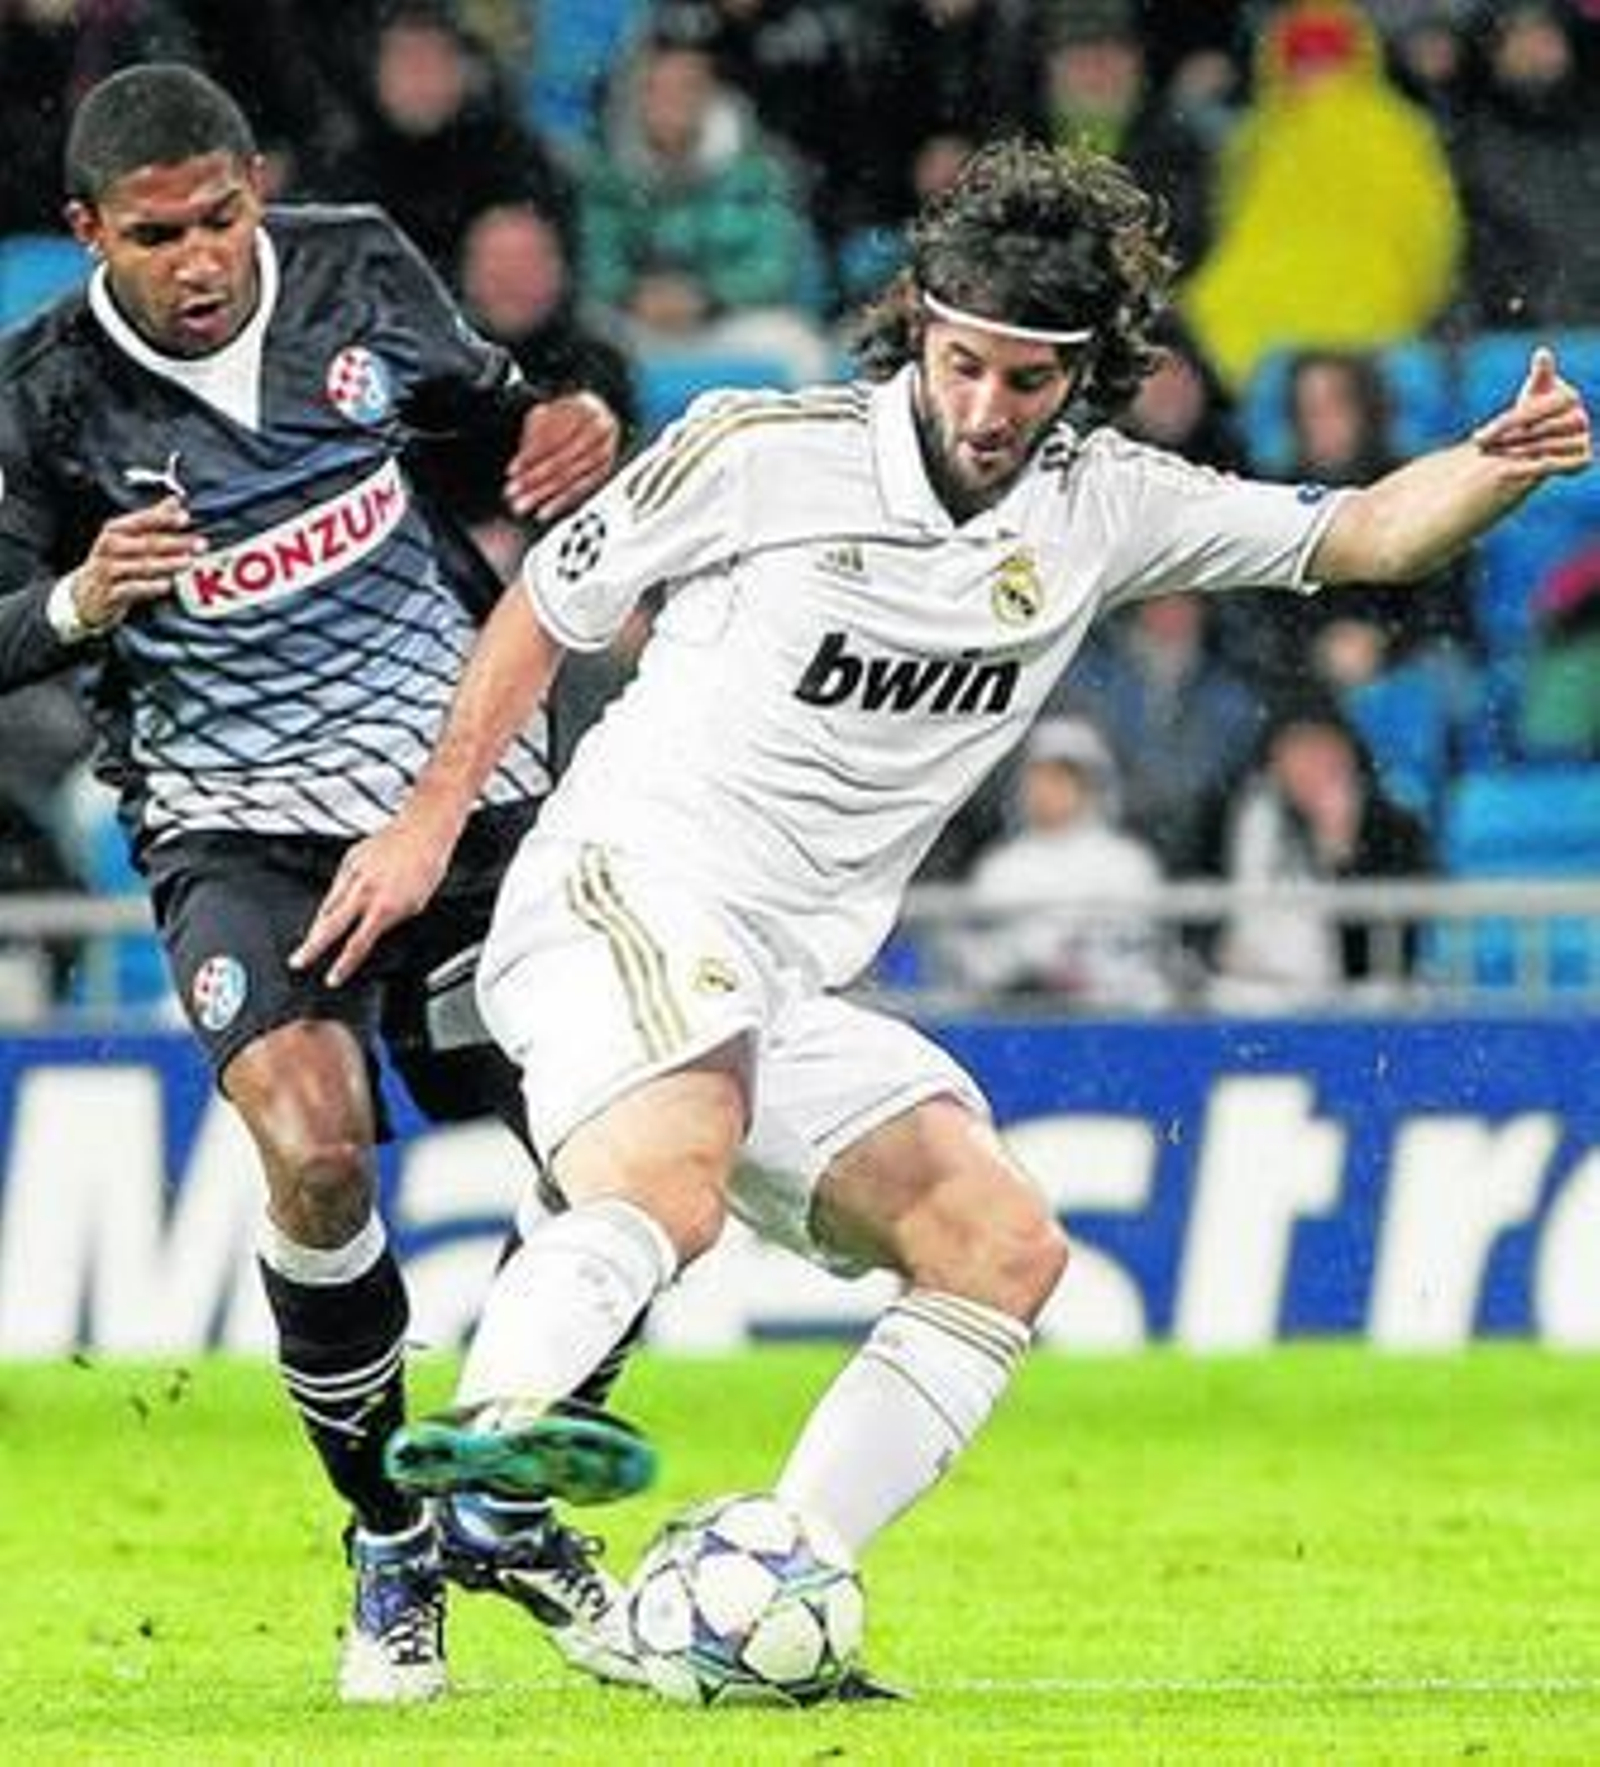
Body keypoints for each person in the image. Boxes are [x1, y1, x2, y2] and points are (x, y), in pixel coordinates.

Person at [292, 140, 1592, 1690]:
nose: (985, 408)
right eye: (962, 360)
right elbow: (548, 607)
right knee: (676, 1171)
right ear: (918, 322)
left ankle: (765, 1592)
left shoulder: (1104, 508)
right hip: (623, 886)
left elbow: (1363, 532)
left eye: (1026, 380)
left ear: (1082, 372)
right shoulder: (759, 449)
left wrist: (1499, 464)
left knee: (998, 1243)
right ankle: (495, 1460)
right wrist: (435, 816)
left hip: (776, 972)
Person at [0, 63, 634, 1705]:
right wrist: (71, 602)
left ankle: (498, 1491)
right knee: (315, 1144)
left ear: (255, 193)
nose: (201, 257)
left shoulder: (356, 267)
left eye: (221, 217)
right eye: (158, 234)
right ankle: (388, 1537)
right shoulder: (43, 399)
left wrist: (574, 421)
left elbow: (495, 434)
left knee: (621, 1137)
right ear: (89, 235)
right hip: (236, 829)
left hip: (460, 801)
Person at [1213, 701, 1435, 1009]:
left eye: (1323, 748)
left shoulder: (1391, 827)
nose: (1311, 764)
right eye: (1296, 749)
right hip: (1254, 989)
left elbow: (1386, 947)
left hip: (1353, 994)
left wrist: (1340, 853)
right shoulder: (1238, 817)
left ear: (1349, 754)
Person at [951, 716, 1172, 1009]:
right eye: (1039, 777)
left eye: (1062, 778)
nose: (1047, 791)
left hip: (1108, 1021)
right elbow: (978, 960)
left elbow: (1141, 957)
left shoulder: (1127, 862)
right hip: (1018, 1022)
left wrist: (1081, 974)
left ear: (1091, 785)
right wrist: (1027, 968)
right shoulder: (999, 867)